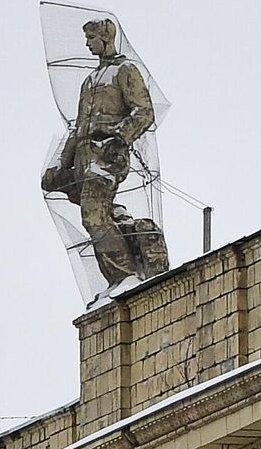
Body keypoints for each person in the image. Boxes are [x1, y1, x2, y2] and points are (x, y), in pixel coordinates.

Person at [41, 18, 167, 285]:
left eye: (91, 38)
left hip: (107, 153)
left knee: (93, 216)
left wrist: (119, 139)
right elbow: (78, 127)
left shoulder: (125, 70)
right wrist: (63, 164)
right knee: (95, 210)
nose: (87, 43)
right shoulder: (89, 81)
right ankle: (122, 223)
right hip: (84, 155)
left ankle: (124, 276)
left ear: (105, 38)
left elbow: (144, 112)